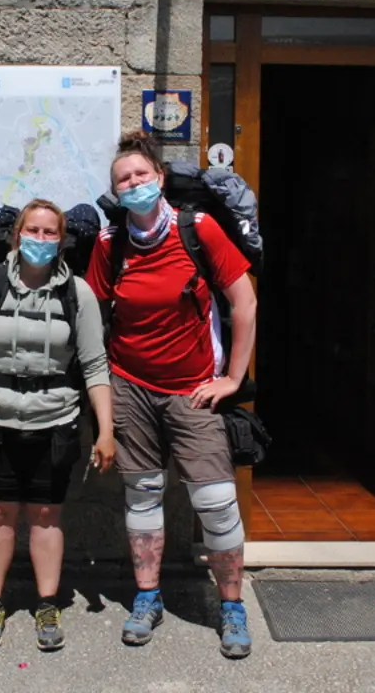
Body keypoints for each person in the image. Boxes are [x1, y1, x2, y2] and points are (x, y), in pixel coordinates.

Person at [85, 131, 259, 659]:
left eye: (140, 174)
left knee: (216, 502)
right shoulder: (109, 245)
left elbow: (245, 303)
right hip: (129, 388)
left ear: (160, 178)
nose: (132, 183)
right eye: (123, 179)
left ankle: (231, 605)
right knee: (142, 496)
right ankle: (147, 597)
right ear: (114, 192)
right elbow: (93, 315)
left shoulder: (197, 229)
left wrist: (231, 378)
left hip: (193, 390)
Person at [0, 199, 116, 652]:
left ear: (61, 240)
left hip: (56, 419)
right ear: (16, 234)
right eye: (32, 231)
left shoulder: (76, 293)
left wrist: (105, 429)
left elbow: (95, 364)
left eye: (49, 233)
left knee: (46, 514)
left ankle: (47, 604)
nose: (39, 240)